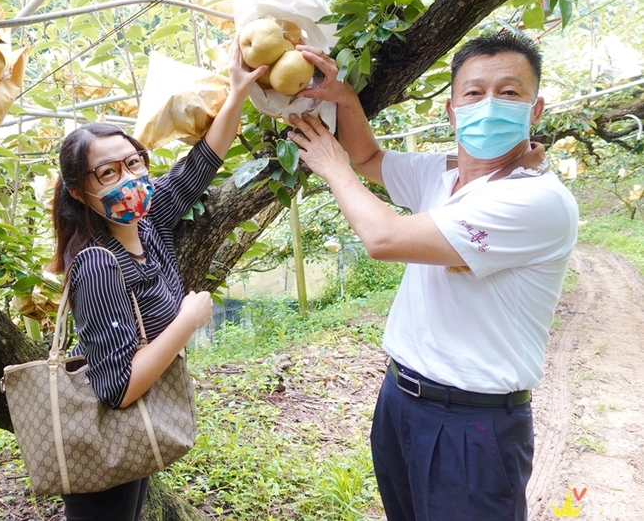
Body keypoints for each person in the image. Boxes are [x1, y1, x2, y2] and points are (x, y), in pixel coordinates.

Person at [287, 32, 579, 521]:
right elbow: (371, 160)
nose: (489, 104)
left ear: (536, 109)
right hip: (401, 399)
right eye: (473, 92)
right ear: (451, 110)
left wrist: (332, 167)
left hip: (475, 424)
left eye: (509, 92)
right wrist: (345, 99)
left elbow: (383, 237)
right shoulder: (444, 176)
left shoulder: (535, 200)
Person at [48, 38, 266, 521]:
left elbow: (203, 161)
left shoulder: (148, 221)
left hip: (136, 435)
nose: (130, 179)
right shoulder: (98, 264)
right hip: (106, 447)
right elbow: (119, 386)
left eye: (134, 163)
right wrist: (187, 322)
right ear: (81, 193)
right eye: (107, 172)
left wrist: (237, 92)